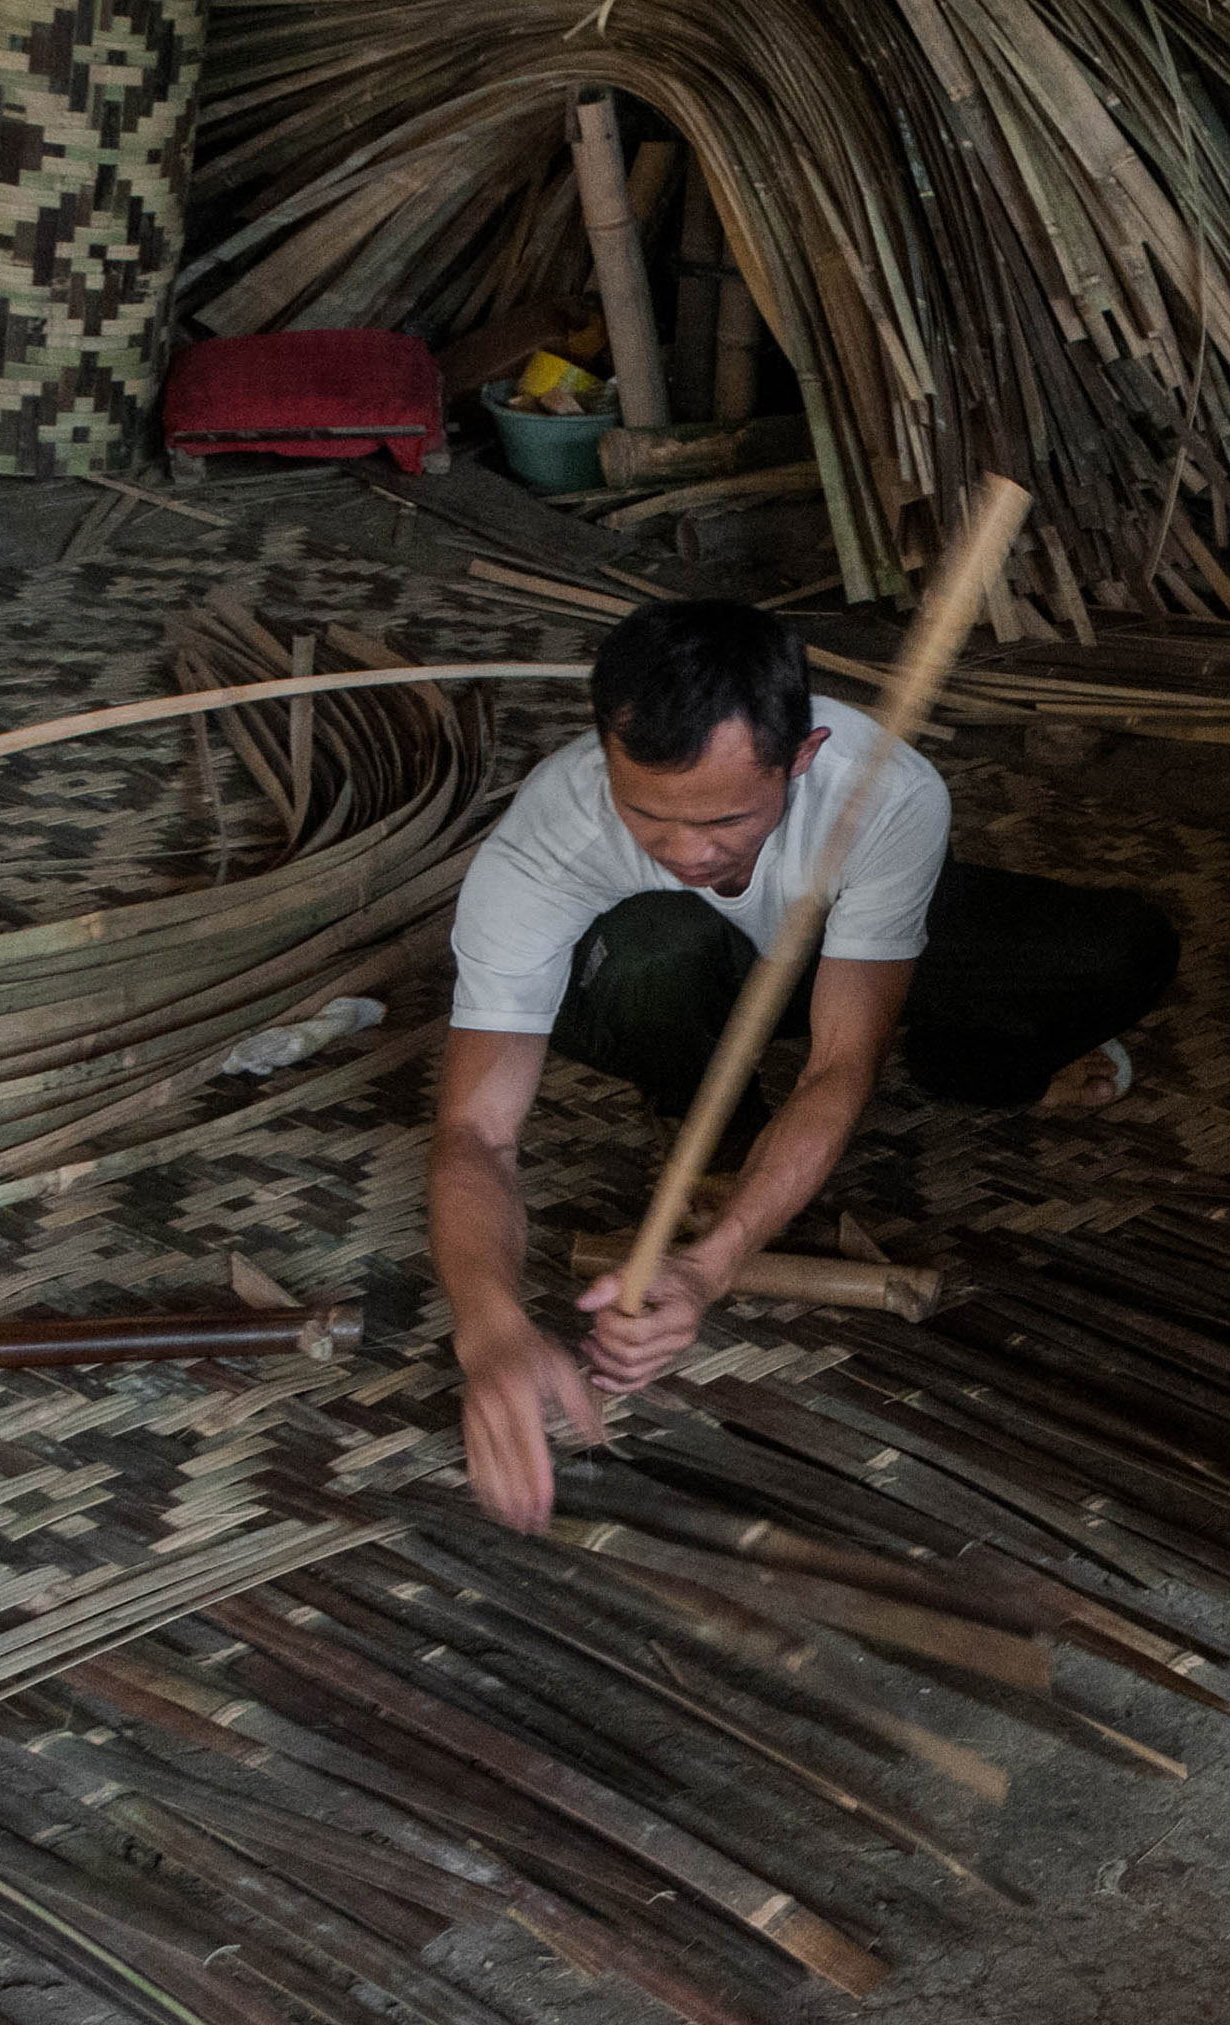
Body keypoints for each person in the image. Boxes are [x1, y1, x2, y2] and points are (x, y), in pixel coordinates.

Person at [429, 600, 1177, 1530]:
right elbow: (475, 1130)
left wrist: (713, 1266)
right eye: (647, 815)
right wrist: (491, 1326)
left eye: (728, 818)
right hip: (677, 971)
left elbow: (839, 1065)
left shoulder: (883, 791)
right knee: (653, 944)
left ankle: (966, 1061)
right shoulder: (552, 832)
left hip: (833, 948)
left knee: (1120, 948)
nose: (688, 849)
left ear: (803, 757)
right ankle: (707, 1110)